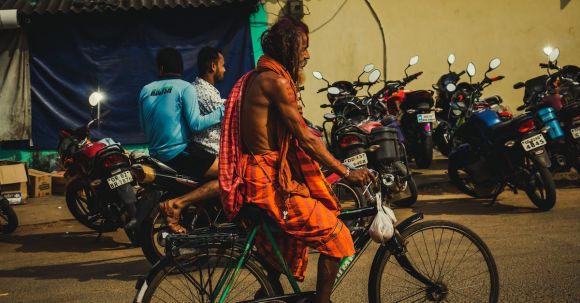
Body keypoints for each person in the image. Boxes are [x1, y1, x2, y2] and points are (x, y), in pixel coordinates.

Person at [219, 18, 374, 303]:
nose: (307, 55)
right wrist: (345, 171)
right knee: (338, 238)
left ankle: (267, 293)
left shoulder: (261, 76)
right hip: (268, 184)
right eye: (304, 47)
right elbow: (304, 138)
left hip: (266, 176)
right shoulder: (275, 81)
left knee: (283, 250)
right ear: (289, 47)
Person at [138, 47, 224, 233]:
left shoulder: (145, 90)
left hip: (155, 154)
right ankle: (178, 204)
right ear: (181, 68)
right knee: (229, 175)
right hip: (180, 152)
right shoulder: (185, 87)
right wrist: (221, 112)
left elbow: (144, 126)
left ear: (160, 69)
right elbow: (195, 124)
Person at [191, 47, 227, 155]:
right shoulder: (203, 92)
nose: (225, 70)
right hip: (210, 155)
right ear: (213, 66)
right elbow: (231, 110)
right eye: (223, 65)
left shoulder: (199, 88)